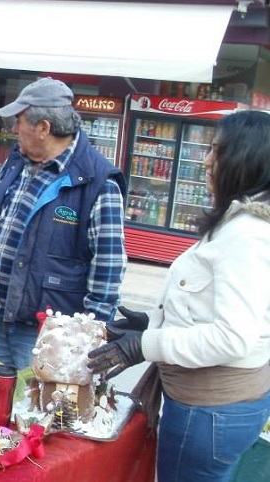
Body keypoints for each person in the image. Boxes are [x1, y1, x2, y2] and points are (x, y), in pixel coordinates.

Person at [89, 110, 270, 482]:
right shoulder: (241, 225)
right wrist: (152, 323)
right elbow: (211, 306)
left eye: (216, 152)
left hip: (210, 408)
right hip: (220, 407)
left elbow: (232, 337)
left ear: (245, 160)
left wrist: (145, 345)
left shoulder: (247, 235)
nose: (206, 161)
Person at [0, 77, 126, 369]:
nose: (13, 130)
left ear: (43, 128)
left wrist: (88, 339)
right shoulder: (18, 161)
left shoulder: (98, 182)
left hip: (51, 336)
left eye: (19, 121)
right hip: (1, 319)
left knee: (34, 412)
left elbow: (108, 269)